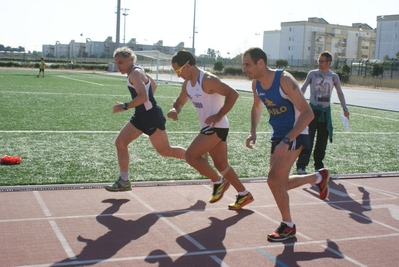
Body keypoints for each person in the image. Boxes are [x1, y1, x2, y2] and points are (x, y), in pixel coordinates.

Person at [241, 47, 330, 242]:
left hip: (296, 133)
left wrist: (288, 139)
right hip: (278, 134)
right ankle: (318, 177)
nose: (244, 69)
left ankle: (288, 226)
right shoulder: (256, 85)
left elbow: (308, 114)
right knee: (281, 183)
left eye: (247, 64)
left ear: (260, 63)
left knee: (273, 180)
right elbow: (256, 107)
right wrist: (253, 131)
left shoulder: (284, 80)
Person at [167, 50, 254, 210]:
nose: (178, 75)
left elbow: (232, 94)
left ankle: (218, 182)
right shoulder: (187, 85)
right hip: (209, 127)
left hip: (217, 127)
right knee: (221, 165)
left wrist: (219, 115)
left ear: (187, 66)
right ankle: (244, 194)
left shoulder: (207, 80)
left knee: (190, 156)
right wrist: (174, 109)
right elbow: (179, 102)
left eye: (178, 71)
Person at [105, 46, 186, 192]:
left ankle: (195, 156)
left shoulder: (134, 74)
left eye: (121, 62)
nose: (118, 66)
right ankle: (124, 181)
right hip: (141, 115)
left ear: (130, 59)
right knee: (120, 142)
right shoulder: (137, 70)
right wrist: (145, 104)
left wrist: (124, 106)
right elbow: (153, 86)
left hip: (151, 117)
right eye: (116, 63)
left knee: (165, 151)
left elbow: (143, 97)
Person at [296, 51, 350, 175]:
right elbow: (303, 88)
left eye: (321, 61)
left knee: (322, 140)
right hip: (312, 111)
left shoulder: (333, 77)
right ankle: (301, 165)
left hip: (325, 113)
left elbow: (340, 93)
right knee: (307, 139)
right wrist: (297, 103)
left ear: (328, 62)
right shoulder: (312, 74)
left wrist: (345, 108)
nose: (319, 63)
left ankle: (318, 166)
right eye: (318, 61)